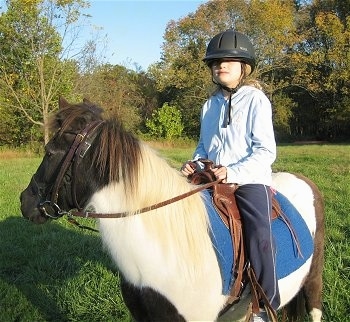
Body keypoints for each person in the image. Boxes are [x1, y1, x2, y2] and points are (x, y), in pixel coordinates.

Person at [181, 29, 280, 322]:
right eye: (215, 62)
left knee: (260, 233)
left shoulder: (256, 100)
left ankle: (265, 306)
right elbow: (203, 146)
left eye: (228, 60)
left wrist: (233, 171)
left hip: (250, 180)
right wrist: (195, 163)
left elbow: (265, 151)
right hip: (212, 179)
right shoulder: (208, 106)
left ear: (244, 66)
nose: (220, 65)